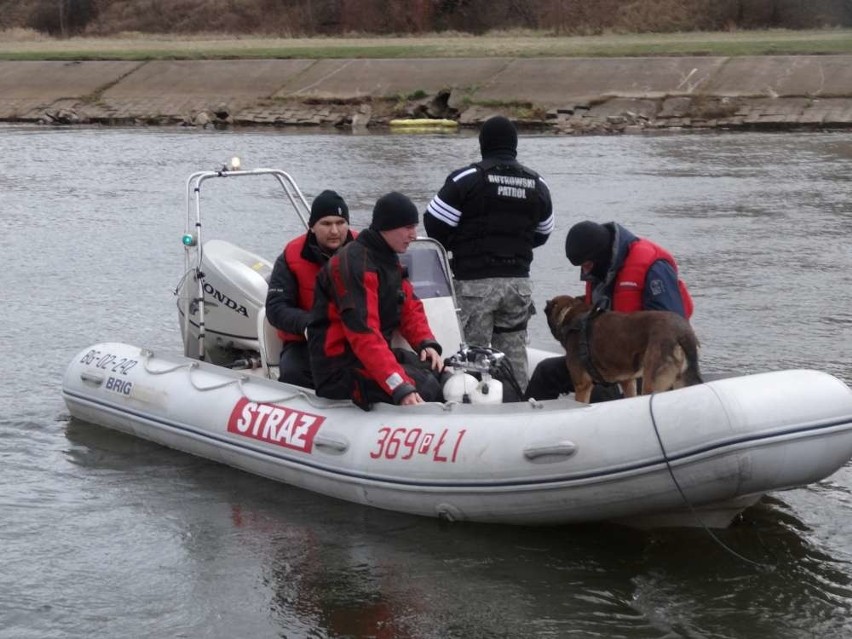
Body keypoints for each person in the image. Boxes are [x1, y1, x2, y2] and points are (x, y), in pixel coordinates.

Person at [424, 115, 554, 390]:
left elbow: (433, 221)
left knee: (474, 354)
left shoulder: (467, 179)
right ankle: (518, 400)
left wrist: (455, 246)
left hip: (475, 283)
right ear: (514, 145)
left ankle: (473, 407)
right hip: (518, 284)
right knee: (515, 353)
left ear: (483, 144)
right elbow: (544, 232)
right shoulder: (537, 184)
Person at [524, 220, 694, 401]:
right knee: (546, 373)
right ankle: (526, 424)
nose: (584, 270)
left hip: (641, 364)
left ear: (600, 255)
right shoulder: (597, 271)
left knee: (600, 392)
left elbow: (674, 324)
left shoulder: (653, 266)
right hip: (602, 359)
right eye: (581, 266)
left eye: (587, 264)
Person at [308, 191, 444, 407]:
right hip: (339, 368)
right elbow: (363, 334)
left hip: (368, 357)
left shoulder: (387, 259)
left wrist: (425, 343)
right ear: (388, 227)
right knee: (426, 385)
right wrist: (400, 386)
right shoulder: (355, 265)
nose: (414, 235)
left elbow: (409, 307)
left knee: (440, 372)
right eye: (408, 228)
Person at [265, 189, 355, 387]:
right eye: (326, 224)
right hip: (306, 342)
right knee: (293, 373)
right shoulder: (291, 257)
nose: (334, 231)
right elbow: (276, 308)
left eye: (340, 223)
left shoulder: (365, 250)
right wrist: (310, 324)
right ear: (311, 227)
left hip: (357, 338)